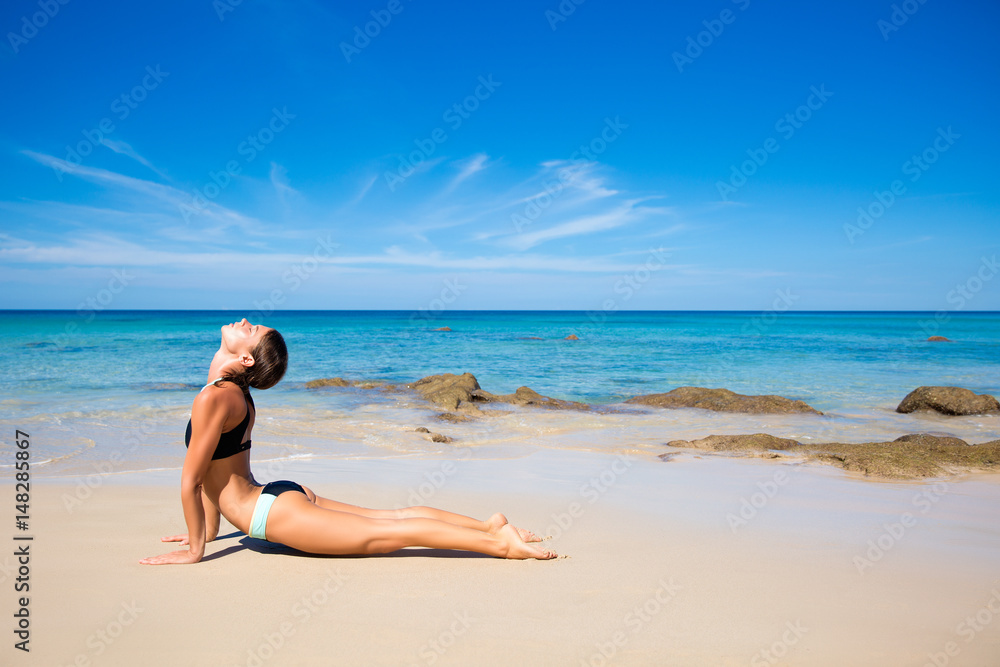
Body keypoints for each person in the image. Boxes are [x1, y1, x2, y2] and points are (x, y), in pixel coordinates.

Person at [140, 318, 556, 565]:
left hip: (269, 512)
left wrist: (195, 549)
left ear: (245, 359)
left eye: (253, 329)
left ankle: (499, 543)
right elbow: (216, 471)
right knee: (391, 519)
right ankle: (487, 524)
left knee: (386, 535)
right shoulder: (235, 395)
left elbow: (193, 481)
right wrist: (207, 531)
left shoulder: (215, 395)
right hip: (275, 495)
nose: (246, 322)